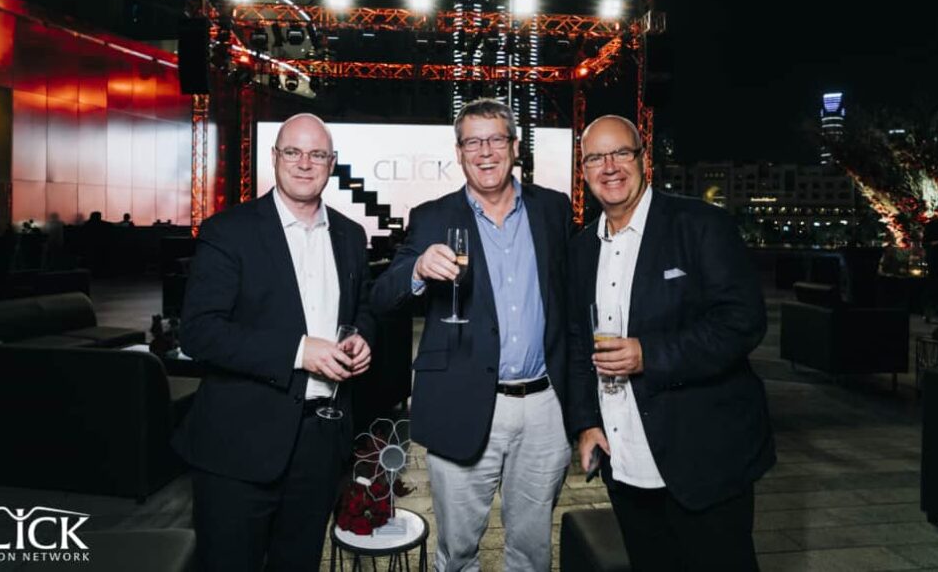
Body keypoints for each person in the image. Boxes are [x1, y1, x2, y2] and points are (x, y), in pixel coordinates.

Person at [371, 98, 572, 571]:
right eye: (472, 142)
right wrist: (418, 270)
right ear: (459, 153)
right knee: (458, 552)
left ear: (515, 147)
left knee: (533, 551)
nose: (485, 152)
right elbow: (381, 298)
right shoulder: (431, 216)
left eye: (496, 139)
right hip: (461, 401)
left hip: (545, 407)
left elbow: (573, 300)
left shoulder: (553, 209)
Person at [567, 115, 775, 571]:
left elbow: (743, 322)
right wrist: (585, 424)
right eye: (596, 158)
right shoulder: (581, 249)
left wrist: (649, 355)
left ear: (644, 159)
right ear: (583, 171)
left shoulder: (701, 224)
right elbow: (579, 345)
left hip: (704, 460)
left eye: (621, 153)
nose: (610, 166)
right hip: (624, 462)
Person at [173, 113, 374, 571]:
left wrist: (362, 337)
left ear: (332, 163)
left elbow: (360, 310)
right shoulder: (229, 231)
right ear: (274, 157)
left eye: (317, 154)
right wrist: (299, 351)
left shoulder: (350, 235)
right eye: (293, 152)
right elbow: (199, 331)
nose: (305, 163)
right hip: (240, 447)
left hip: (321, 444)